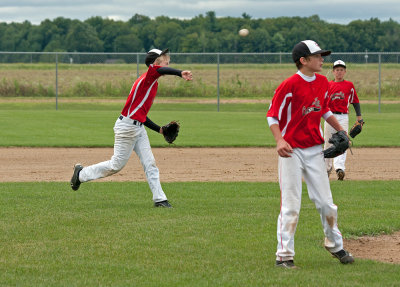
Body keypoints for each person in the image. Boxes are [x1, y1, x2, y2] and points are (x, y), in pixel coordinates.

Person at [266, 40, 354, 269]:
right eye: (317, 56)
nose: (322, 59)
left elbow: (324, 109)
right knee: (291, 204)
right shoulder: (289, 85)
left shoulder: (323, 82)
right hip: (291, 152)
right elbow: (272, 116)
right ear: (303, 60)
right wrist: (279, 140)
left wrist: (342, 130)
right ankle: (284, 255)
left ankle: (335, 245)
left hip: (315, 149)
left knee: (326, 203)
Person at [70, 48, 193, 208]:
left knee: (150, 163)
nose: (167, 59)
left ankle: (160, 199)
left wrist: (160, 130)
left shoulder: (151, 82)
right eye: (163, 57)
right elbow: (161, 70)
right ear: (155, 62)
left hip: (137, 127)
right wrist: (179, 73)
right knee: (116, 165)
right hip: (127, 128)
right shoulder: (150, 75)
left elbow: (141, 114)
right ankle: (81, 174)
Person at [324, 60, 363, 180]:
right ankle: (326, 169)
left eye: (341, 70)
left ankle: (339, 168)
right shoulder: (328, 85)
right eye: (337, 69)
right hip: (329, 116)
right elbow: (323, 102)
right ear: (333, 72)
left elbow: (355, 101)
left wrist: (359, 118)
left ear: (345, 72)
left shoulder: (349, 85)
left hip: (343, 117)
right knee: (328, 142)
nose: (339, 72)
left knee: (343, 142)